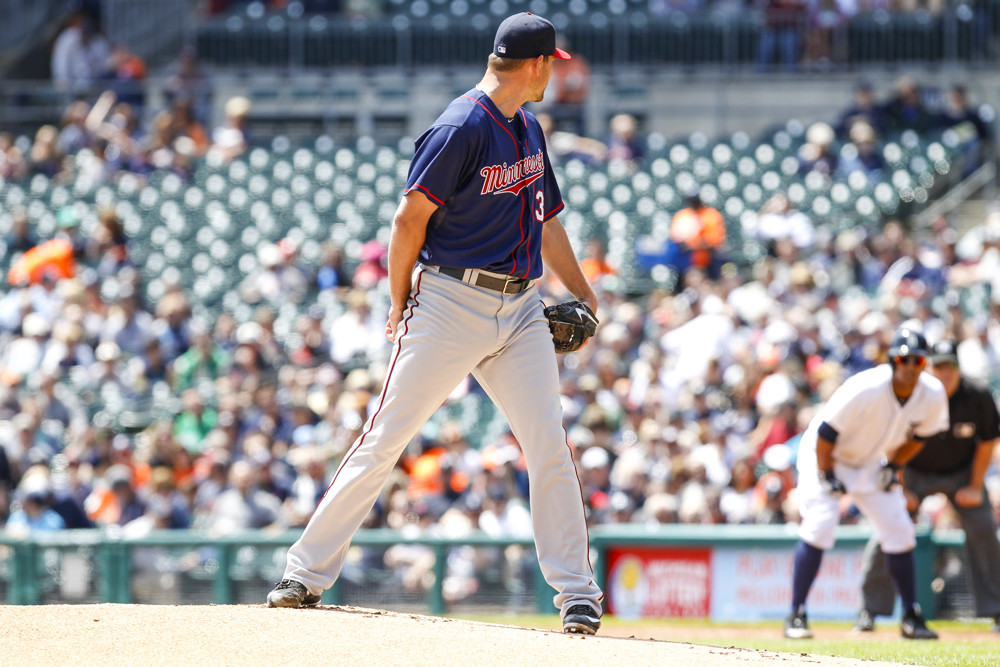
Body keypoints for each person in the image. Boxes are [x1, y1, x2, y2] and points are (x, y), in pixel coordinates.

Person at [265, 12, 604, 636]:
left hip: (522, 305)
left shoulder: (527, 126)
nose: (552, 76)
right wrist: (398, 302)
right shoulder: (461, 125)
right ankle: (304, 573)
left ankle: (577, 594)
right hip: (451, 301)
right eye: (549, 66)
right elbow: (407, 222)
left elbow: (548, 221)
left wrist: (585, 296)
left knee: (549, 446)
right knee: (385, 437)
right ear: (532, 65)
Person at [784, 327, 948, 640]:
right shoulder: (866, 386)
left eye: (919, 361)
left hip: (870, 460)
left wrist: (896, 464)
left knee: (899, 529)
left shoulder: (932, 392)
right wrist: (828, 474)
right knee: (820, 524)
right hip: (825, 455)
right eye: (905, 359)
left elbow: (922, 435)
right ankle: (796, 613)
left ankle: (911, 616)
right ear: (893, 360)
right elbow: (826, 434)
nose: (911, 366)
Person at [853, 339, 1000, 634]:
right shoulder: (914, 393)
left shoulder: (977, 395)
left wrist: (974, 485)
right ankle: (869, 610)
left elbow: (987, 442)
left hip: (962, 471)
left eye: (951, 366)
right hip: (913, 471)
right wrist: (900, 486)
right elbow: (892, 440)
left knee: (984, 526)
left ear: (959, 368)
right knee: (889, 526)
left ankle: (997, 610)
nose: (945, 372)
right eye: (940, 366)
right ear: (930, 368)